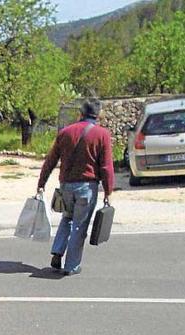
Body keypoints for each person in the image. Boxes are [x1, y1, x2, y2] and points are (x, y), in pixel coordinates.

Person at [37, 98, 115, 275]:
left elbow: (50, 161)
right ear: (98, 114)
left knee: (67, 217)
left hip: (66, 185)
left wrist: (41, 183)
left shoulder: (65, 132)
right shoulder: (102, 134)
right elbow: (106, 166)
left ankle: (58, 251)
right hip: (87, 187)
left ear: (80, 113)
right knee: (79, 226)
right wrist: (108, 190)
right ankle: (71, 265)